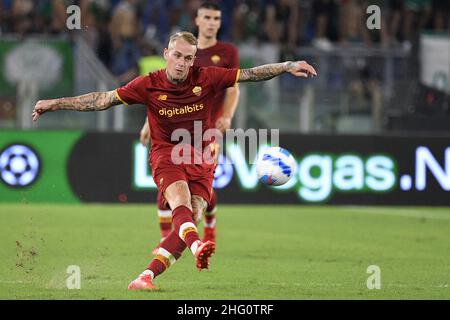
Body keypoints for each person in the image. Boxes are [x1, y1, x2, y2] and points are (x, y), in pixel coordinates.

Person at [32, 31, 317, 290]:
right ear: (167, 54)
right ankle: (196, 248)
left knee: (191, 217)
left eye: (188, 58)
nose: (182, 63)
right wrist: (54, 103)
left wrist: (287, 66)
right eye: (177, 55)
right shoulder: (148, 84)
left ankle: (145, 277)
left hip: (203, 158)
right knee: (181, 204)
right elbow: (102, 100)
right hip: (167, 154)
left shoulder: (206, 77)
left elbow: (251, 74)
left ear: (194, 60)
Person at [139, 1, 240, 254]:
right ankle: (168, 238)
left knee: (203, 182)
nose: (211, 23)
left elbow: (234, 88)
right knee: (170, 184)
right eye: (206, 17)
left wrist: (227, 116)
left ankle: (210, 228)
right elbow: (160, 92)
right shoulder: (185, 51)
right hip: (173, 127)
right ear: (197, 20)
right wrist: (148, 123)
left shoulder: (227, 52)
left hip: (208, 129)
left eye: (216, 19)